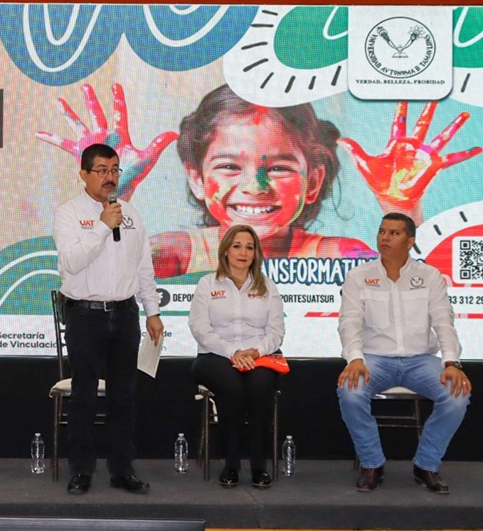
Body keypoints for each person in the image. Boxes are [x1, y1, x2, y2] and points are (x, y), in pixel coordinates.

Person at [37, 82, 481, 278]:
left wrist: (400, 207)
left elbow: (402, 286)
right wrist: (111, 193)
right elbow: (103, 275)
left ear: (313, 181)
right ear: (196, 179)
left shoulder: (340, 254)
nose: (255, 186)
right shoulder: (173, 254)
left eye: (280, 167)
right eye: (229, 166)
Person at [53, 143, 164, 496]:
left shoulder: (130, 214)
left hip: (125, 314)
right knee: (84, 394)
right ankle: (81, 470)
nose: (110, 177)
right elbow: (71, 262)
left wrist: (153, 311)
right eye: (101, 170)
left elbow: (144, 267)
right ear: (83, 174)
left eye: (114, 169)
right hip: (85, 315)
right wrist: (102, 226)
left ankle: (122, 469)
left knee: (123, 397)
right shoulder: (68, 213)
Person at [337, 213, 472, 494]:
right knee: (350, 391)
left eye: (394, 233)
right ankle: (372, 464)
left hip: (420, 360)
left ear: (410, 241)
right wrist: (355, 358)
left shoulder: (429, 276)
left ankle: (426, 465)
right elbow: (349, 322)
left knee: (457, 395)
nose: (385, 238)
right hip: (374, 359)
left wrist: (451, 362)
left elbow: (443, 321)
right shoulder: (358, 276)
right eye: (382, 231)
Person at [188, 224, 284, 489]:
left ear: (256, 253)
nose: (243, 252)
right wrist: (233, 353)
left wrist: (257, 351)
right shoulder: (207, 284)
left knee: (260, 386)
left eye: (249, 247)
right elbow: (200, 328)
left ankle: (258, 466)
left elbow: (276, 332)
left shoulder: (268, 286)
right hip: (215, 356)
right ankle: (231, 464)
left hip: (259, 356)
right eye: (237, 246)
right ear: (225, 251)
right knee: (231, 387)